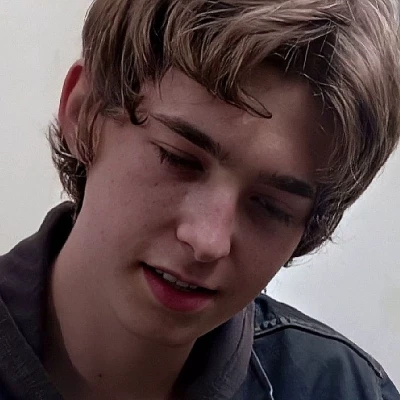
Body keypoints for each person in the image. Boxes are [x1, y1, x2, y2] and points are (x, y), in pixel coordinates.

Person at [0, 0, 399, 399]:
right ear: (83, 112)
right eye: (179, 159)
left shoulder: (345, 389)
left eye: (271, 207)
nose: (207, 241)